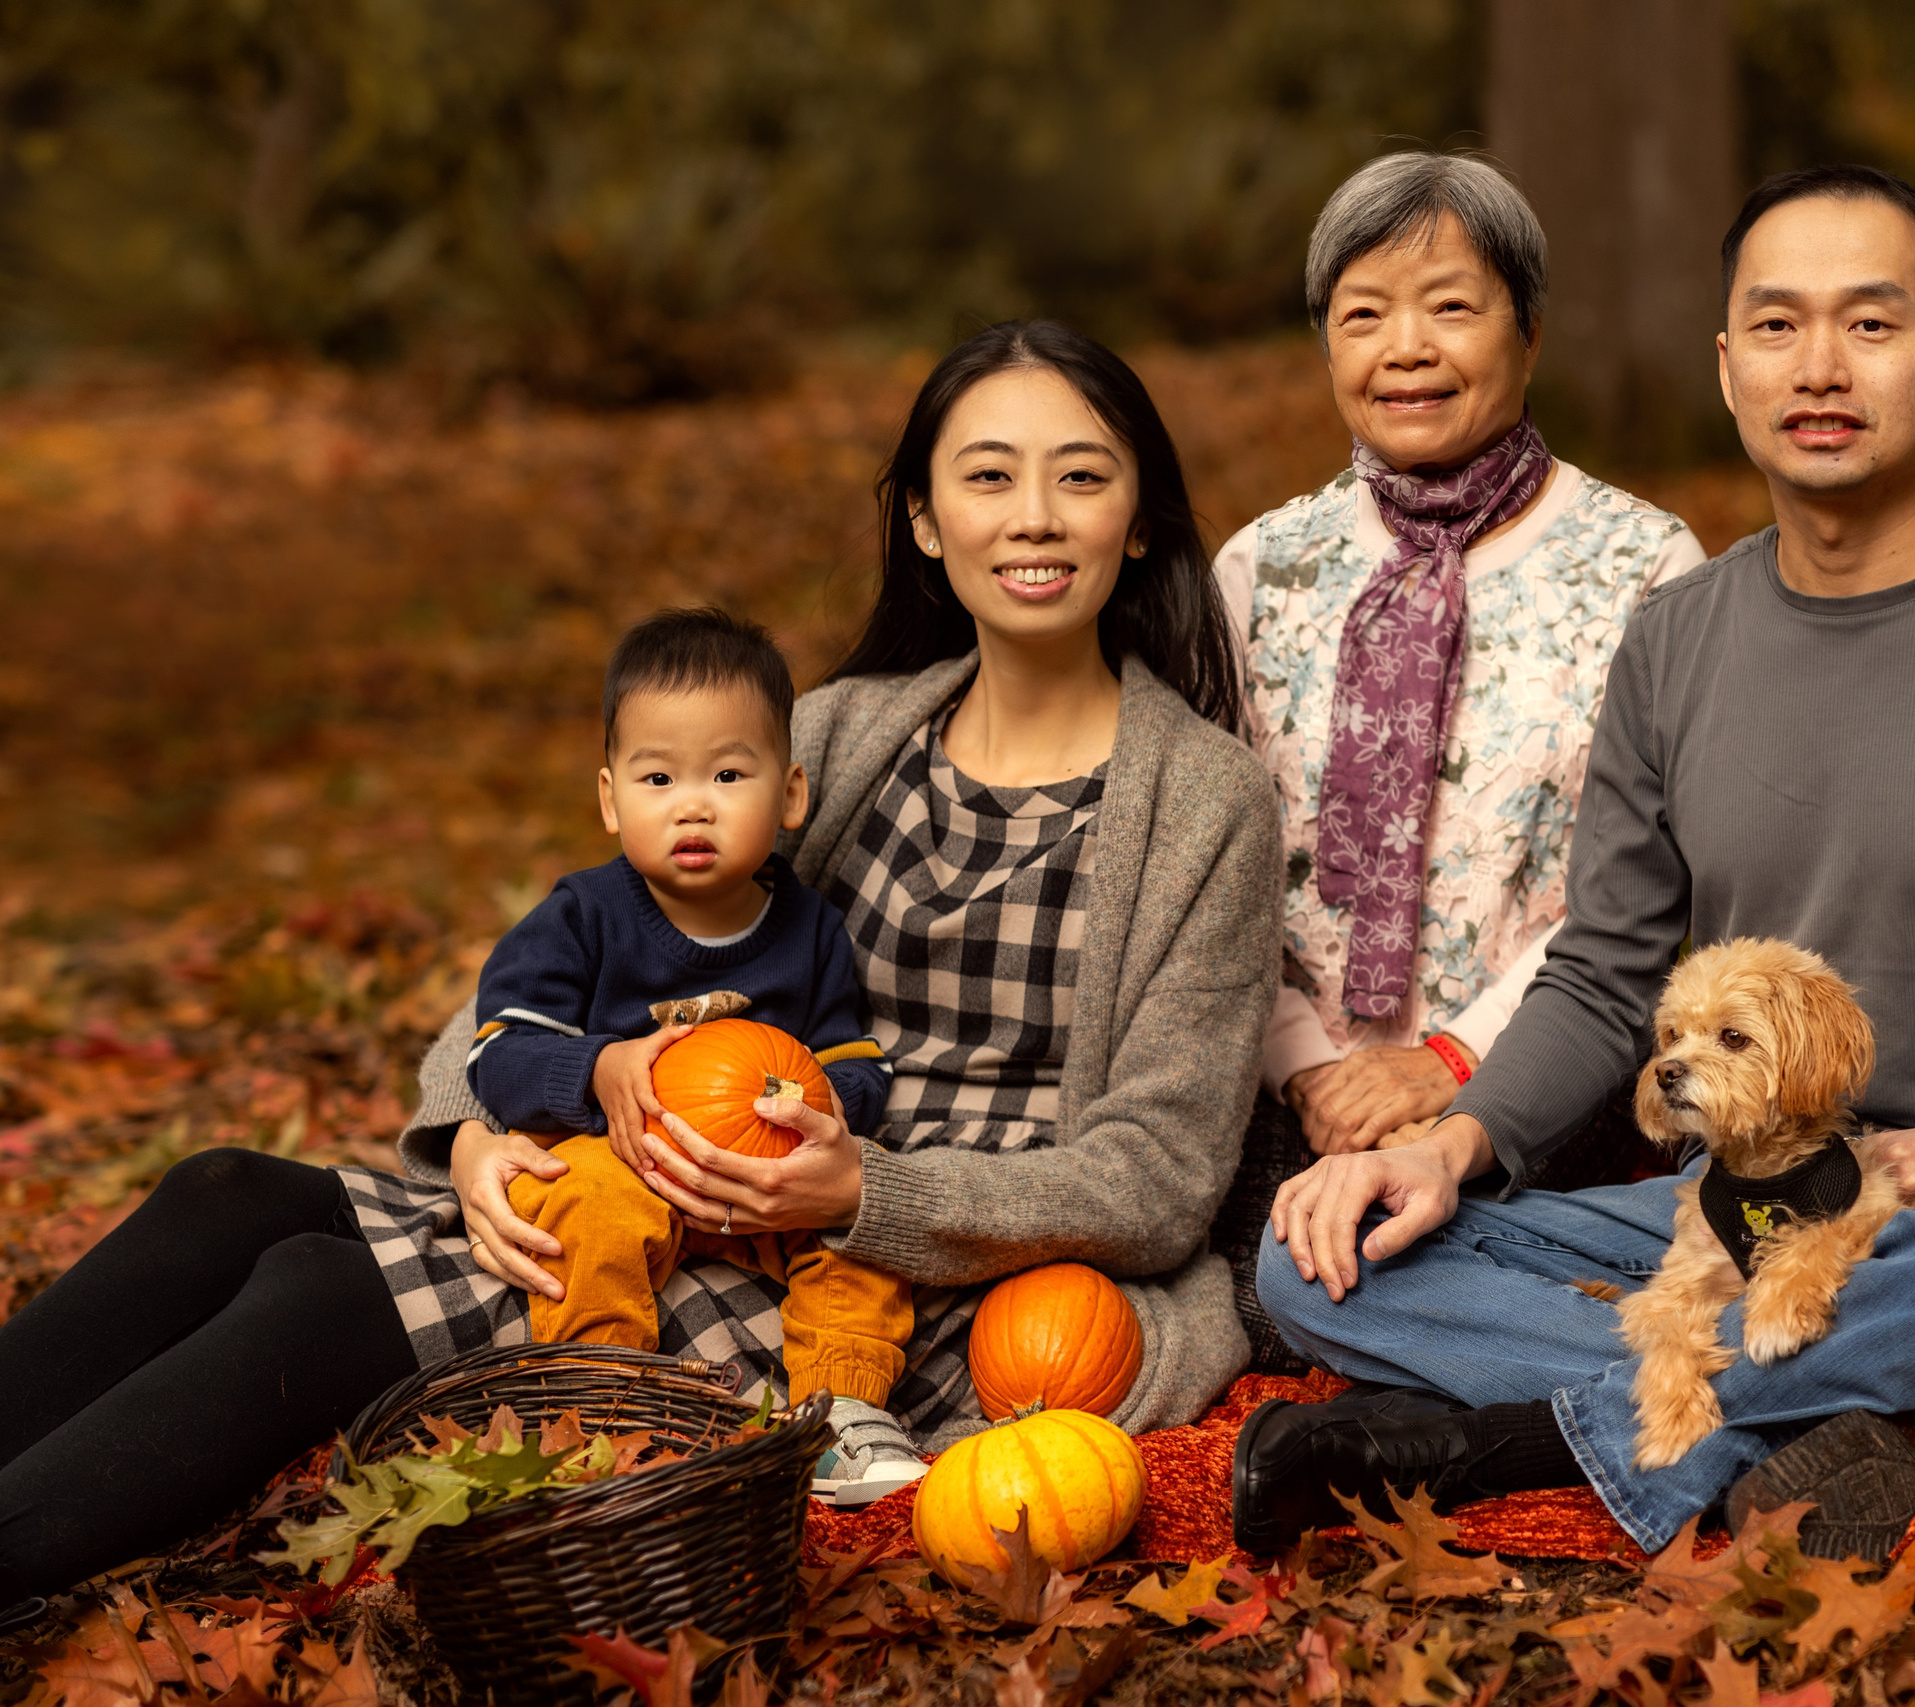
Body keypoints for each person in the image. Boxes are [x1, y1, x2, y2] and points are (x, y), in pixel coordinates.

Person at [0, 320, 1279, 1621]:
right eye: (990, 474)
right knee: (225, 1188)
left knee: (322, 1292)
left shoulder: (1206, 800)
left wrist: (864, 1191)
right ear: (925, 520)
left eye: (1082, 474)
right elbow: (575, 952)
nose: (1036, 516)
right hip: (685, 1177)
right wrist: (475, 1138)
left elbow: (1164, 1172)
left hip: (917, 1285)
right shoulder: (836, 734)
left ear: (1139, 519)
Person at [1237, 165, 1915, 1561]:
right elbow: (1605, 966)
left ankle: (1515, 1443)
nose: (1818, 367)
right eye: (1776, 325)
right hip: (1732, 1206)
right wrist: (1457, 1142)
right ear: (1727, 364)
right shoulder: (1680, 637)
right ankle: (1900, 1428)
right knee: (1314, 1264)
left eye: (1870, 326)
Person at [1207, 150, 1706, 1367]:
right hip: (1296, 1115)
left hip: (1553, 1107)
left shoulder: (1646, 568)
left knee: (1370, 1294)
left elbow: (1651, 887)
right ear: (1326, 347)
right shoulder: (1257, 571)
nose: (1405, 348)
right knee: (1278, 1295)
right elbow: (1215, 877)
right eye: (1362, 315)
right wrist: (1307, 1069)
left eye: (1450, 305)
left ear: (1528, 333)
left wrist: (1455, 1063)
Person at [469, 605, 920, 1504]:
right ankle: (596, 1398)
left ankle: (840, 1411)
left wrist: (829, 1104)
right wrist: (595, 1071)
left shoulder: (811, 930)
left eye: (727, 771)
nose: (693, 802)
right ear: (610, 799)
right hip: (632, 1157)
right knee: (579, 1204)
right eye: (658, 776)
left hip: (770, 1182)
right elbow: (497, 1053)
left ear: (789, 794)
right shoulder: (582, 916)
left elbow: (860, 1057)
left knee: (864, 1231)